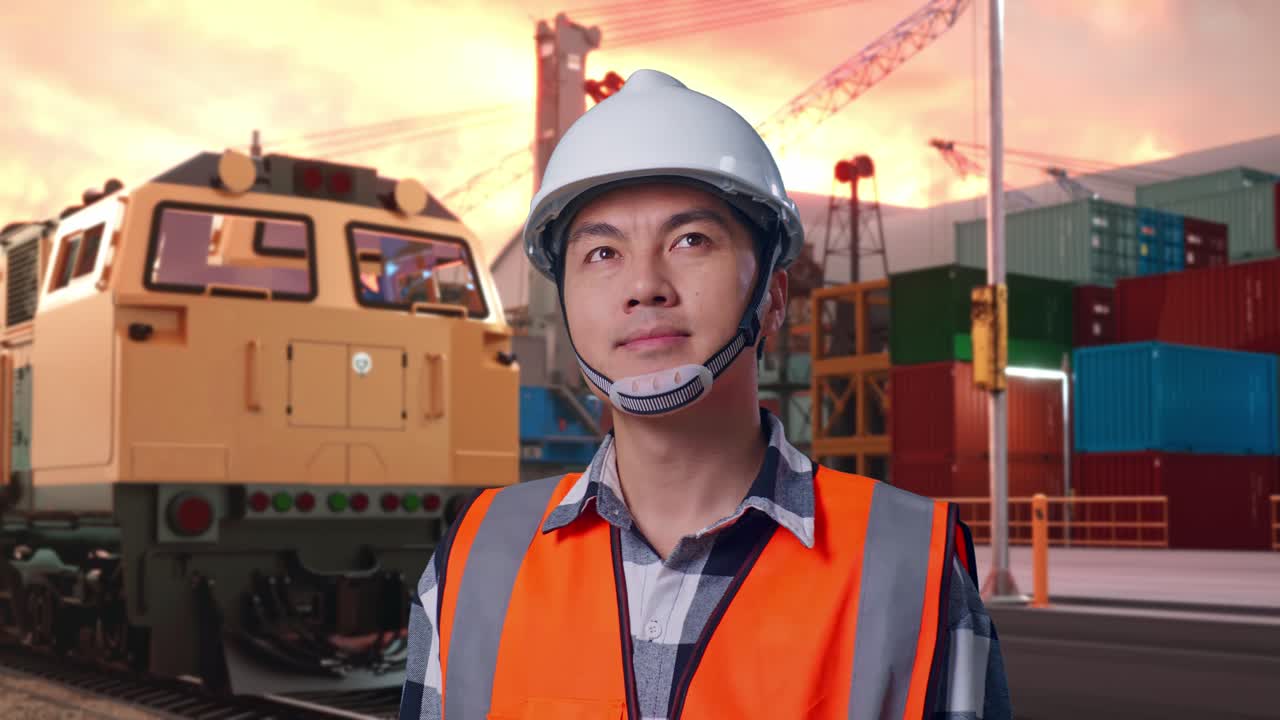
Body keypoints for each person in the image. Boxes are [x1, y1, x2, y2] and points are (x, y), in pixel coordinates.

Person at [400, 69, 1012, 720]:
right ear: (566, 303)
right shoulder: (473, 561)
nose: (644, 285)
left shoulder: (910, 570)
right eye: (602, 253)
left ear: (773, 298)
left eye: (691, 241)